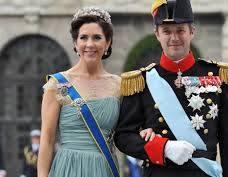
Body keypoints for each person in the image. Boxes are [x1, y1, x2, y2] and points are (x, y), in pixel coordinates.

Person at [114, 0, 228, 177]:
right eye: (166, 31)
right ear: (157, 34)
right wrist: (164, 148)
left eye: (180, 30)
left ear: (192, 31)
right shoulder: (142, 81)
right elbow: (123, 137)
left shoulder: (217, 77)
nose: (174, 38)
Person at [37, 6, 154, 177]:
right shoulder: (56, 84)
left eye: (97, 37)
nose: (89, 44)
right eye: (83, 37)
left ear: (108, 43)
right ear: (75, 43)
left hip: (104, 167)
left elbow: (129, 129)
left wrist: (145, 131)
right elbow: (47, 140)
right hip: (68, 168)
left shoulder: (120, 85)